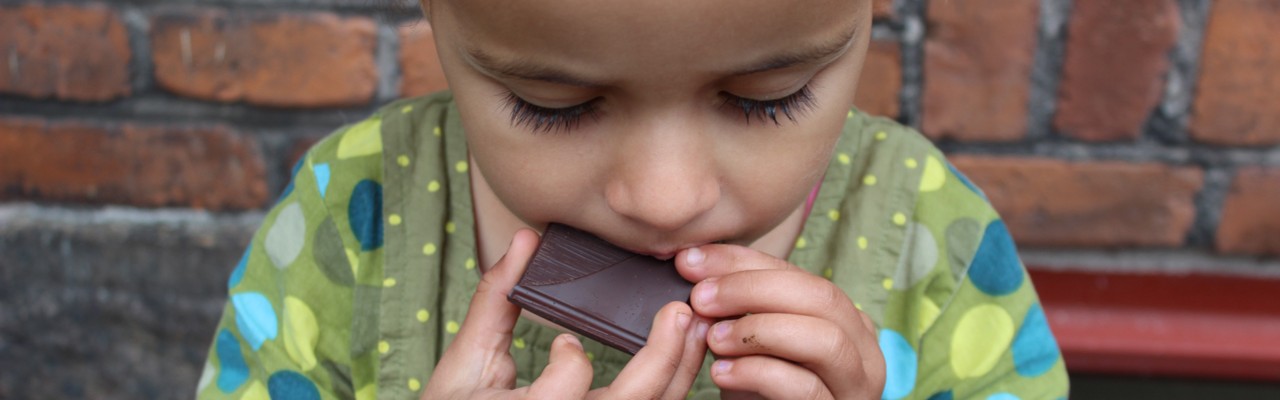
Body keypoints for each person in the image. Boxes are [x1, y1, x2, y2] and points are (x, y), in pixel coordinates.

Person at [195, 0, 1069, 398]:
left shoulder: (932, 240)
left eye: (768, 96)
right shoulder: (356, 214)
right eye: (554, 106)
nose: (665, 198)